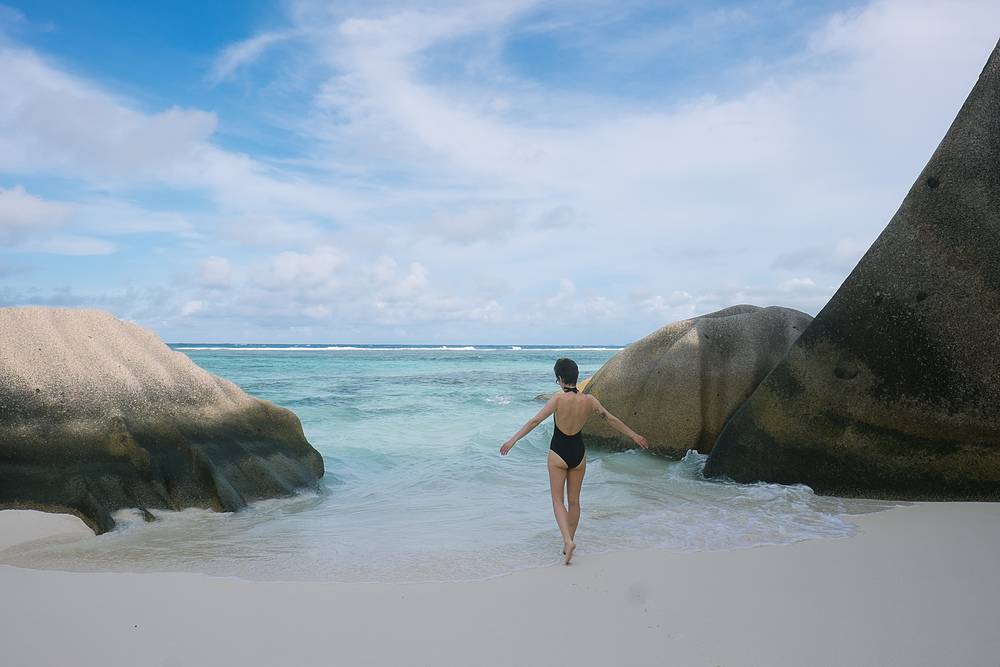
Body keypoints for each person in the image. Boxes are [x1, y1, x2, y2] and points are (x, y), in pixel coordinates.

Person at [500, 358, 648, 564]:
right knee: (575, 501)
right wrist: (634, 435)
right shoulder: (589, 400)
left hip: (558, 452)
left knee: (557, 500)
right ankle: (569, 541)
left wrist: (512, 440)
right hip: (578, 453)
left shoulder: (557, 400)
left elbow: (535, 420)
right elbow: (611, 419)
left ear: (560, 378)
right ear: (575, 377)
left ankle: (567, 541)